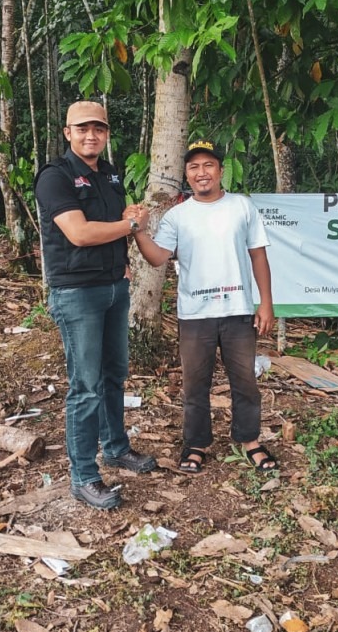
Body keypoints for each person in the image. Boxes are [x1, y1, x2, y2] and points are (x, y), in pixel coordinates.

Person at [34, 100, 157, 510]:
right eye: (83, 129)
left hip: (113, 289)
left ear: (106, 134)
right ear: (67, 133)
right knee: (85, 387)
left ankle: (116, 448)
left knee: (114, 376)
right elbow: (81, 234)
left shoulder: (110, 174)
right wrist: (133, 224)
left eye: (99, 129)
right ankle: (84, 476)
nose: (92, 136)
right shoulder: (56, 177)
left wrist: (127, 224)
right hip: (77, 294)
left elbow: (115, 224)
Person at [130, 140, 277, 474]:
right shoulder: (177, 216)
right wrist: (138, 232)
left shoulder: (242, 206)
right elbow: (157, 259)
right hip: (195, 315)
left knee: (245, 381)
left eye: (208, 165)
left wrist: (265, 304)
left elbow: (258, 255)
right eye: (194, 167)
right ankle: (196, 443)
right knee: (195, 384)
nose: (202, 172)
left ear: (220, 170)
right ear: (187, 174)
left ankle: (249, 440)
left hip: (238, 311)